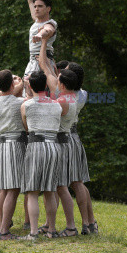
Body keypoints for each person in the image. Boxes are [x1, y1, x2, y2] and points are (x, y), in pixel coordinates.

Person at [37, 38, 79, 237]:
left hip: (59, 144)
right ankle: (51, 224)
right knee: (59, 187)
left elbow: (46, 107)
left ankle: (69, 227)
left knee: (59, 187)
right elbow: (47, 70)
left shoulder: (61, 101)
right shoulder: (73, 97)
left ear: (62, 83)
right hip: (64, 142)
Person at [20, 71, 62, 240]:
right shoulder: (57, 105)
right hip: (54, 146)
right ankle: (51, 230)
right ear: (46, 85)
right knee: (50, 191)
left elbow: (26, 127)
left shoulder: (26, 105)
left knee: (32, 192)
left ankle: (34, 232)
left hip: (36, 145)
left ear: (30, 86)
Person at [0, 70, 27, 240]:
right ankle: (4, 231)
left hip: (1, 146)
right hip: (16, 145)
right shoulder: (20, 102)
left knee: (3, 189)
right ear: (12, 84)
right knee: (13, 189)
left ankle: (0, 223)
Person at [67, 62, 98, 234]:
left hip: (67, 138)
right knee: (78, 183)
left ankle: (86, 223)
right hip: (75, 137)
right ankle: (89, 223)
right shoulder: (83, 94)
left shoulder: (63, 95)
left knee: (75, 183)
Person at [23, 0, 58, 79]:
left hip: (44, 61)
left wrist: (40, 35)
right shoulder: (36, 19)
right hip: (33, 60)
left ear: (48, 9)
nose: (36, 8)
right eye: (35, 6)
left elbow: (47, 30)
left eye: (40, 6)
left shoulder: (51, 23)